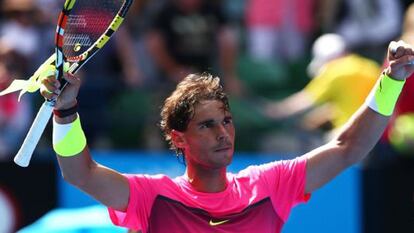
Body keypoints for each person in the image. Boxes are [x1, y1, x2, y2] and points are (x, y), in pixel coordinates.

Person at [39, 40, 414, 232]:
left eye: (226, 121)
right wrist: (66, 112)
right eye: (207, 125)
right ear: (179, 138)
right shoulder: (151, 197)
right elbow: (79, 173)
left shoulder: (270, 184)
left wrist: (391, 82)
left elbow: (348, 149)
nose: (223, 133)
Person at [264, 34, 381, 138]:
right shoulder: (370, 66)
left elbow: (305, 100)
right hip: (378, 133)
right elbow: (352, 103)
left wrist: (276, 111)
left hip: (350, 134)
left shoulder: (336, 70)